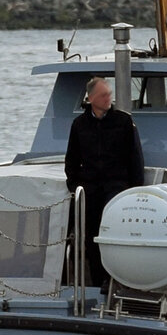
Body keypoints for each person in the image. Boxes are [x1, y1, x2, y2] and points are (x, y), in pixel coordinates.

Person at [64, 76, 144, 288]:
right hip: (90, 191)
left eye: (109, 94)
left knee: (115, 236)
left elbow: (136, 159)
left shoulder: (124, 122)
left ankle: (118, 279)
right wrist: (75, 186)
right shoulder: (79, 125)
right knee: (91, 238)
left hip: (117, 189)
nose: (108, 98)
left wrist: (134, 193)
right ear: (90, 98)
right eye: (103, 95)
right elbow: (71, 160)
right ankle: (98, 281)